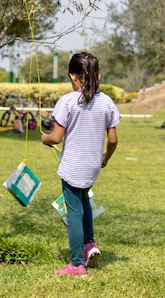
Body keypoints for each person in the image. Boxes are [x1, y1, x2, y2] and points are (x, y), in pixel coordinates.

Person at [41, 52, 119, 277]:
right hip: (93, 166)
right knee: (84, 202)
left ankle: (76, 265)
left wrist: (44, 138)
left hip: (72, 167)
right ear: (98, 76)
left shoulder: (67, 101)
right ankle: (88, 245)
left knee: (74, 213)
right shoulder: (106, 102)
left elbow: (55, 138)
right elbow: (113, 140)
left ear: (73, 77)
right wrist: (105, 158)